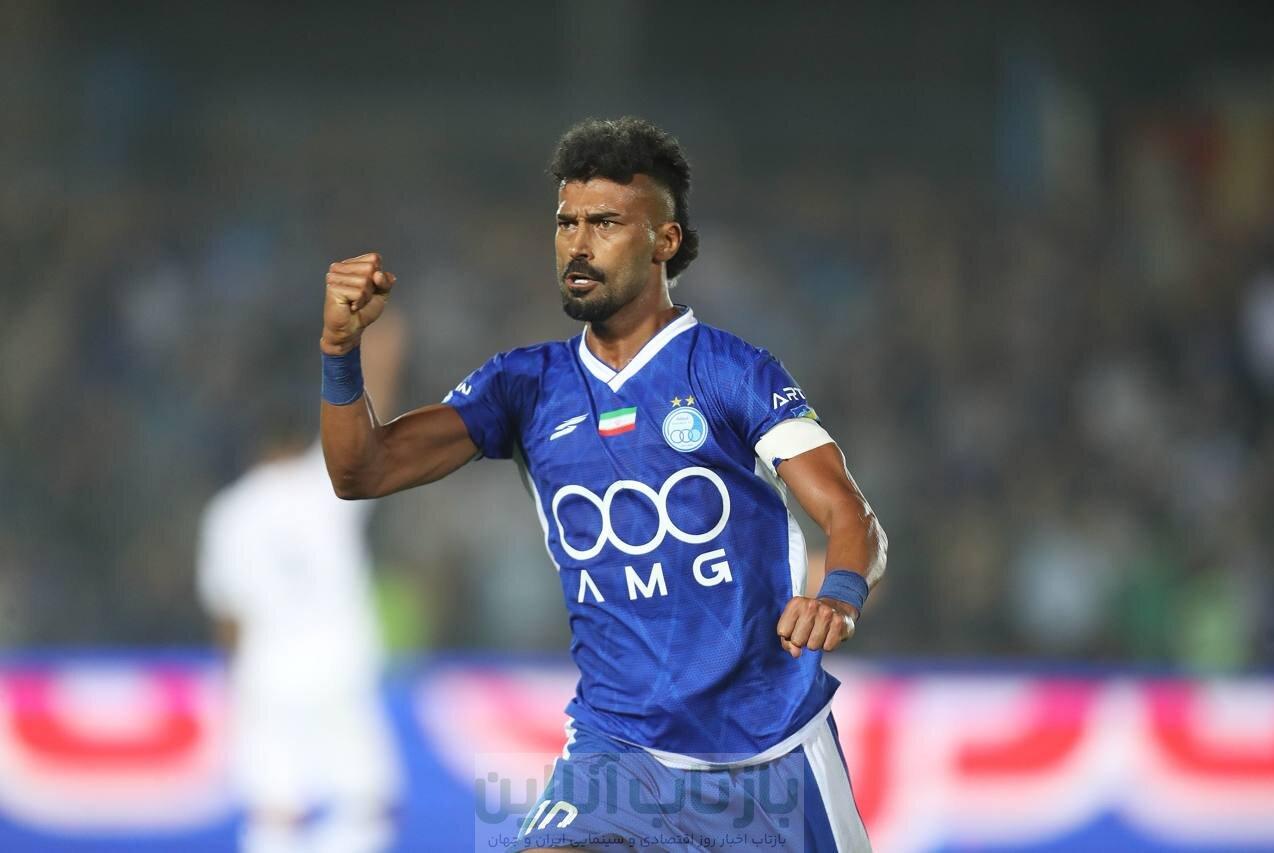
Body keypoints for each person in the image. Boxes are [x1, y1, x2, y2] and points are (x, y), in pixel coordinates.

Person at [319, 117, 887, 852]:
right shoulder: (525, 386)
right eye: (567, 223)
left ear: (664, 240)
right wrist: (339, 351)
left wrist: (837, 595)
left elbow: (848, 512)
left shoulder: (730, 371)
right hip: (618, 754)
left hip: (769, 754)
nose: (578, 244)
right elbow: (361, 470)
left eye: (606, 223)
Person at [197, 315, 406, 853]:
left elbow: (228, 616)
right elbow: (370, 419)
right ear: (298, 439)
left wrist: (235, 682)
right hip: (339, 665)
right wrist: (382, 350)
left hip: (268, 672)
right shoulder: (325, 483)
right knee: (368, 802)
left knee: (275, 809)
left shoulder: (229, 511)